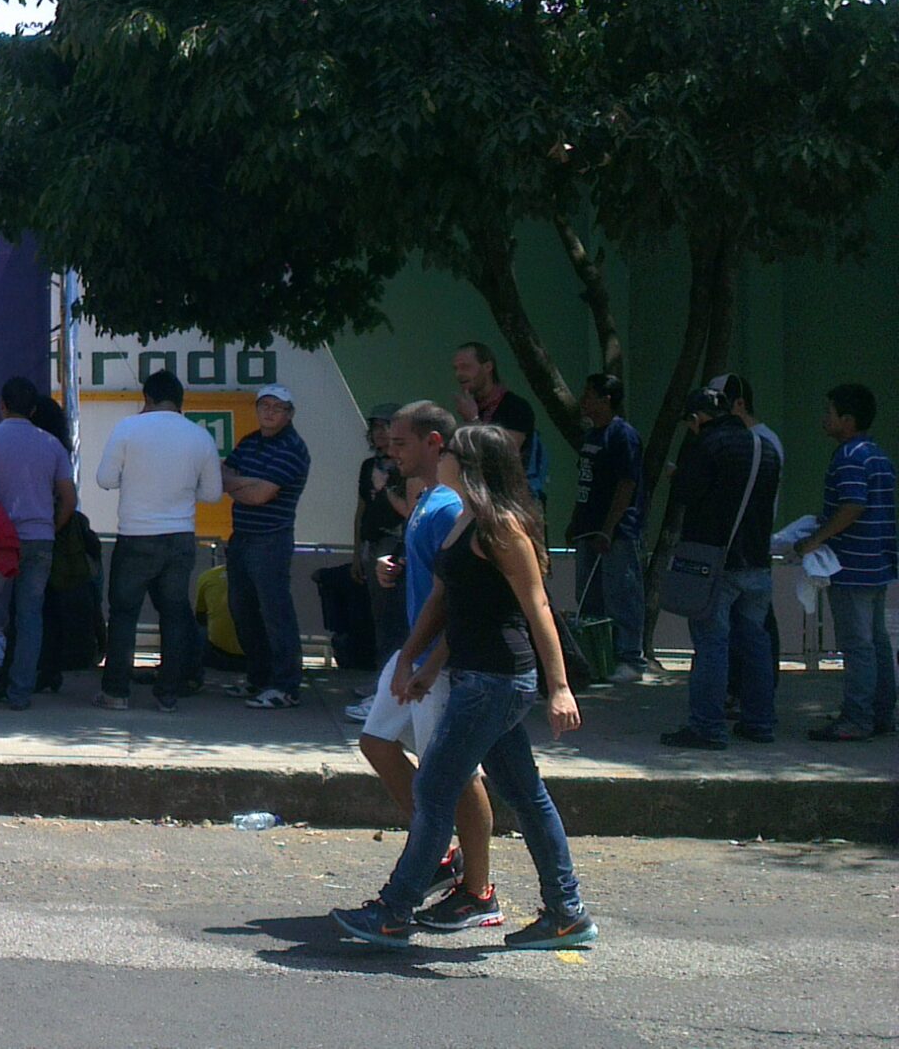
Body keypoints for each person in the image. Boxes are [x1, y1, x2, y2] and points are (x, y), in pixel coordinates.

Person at [332, 422, 596, 951]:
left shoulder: (502, 528)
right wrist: (420, 662)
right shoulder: (463, 518)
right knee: (524, 793)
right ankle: (566, 913)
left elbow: (538, 607)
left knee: (435, 788)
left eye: (451, 451)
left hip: (498, 679)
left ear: (470, 463)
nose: (443, 456)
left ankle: (394, 910)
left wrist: (560, 688)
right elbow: (445, 601)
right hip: (473, 674)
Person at [354, 401, 498, 930]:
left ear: (434, 443)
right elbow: (434, 572)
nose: (391, 452)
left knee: (459, 775)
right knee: (376, 742)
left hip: (439, 656)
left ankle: (479, 890)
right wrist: (396, 566)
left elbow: (457, 592)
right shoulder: (427, 500)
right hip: (414, 649)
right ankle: (437, 852)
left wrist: (431, 661)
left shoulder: (449, 506)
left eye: (401, 443)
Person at [659, 389, 784, 749]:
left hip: (715, 561)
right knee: (756, 643)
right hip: (757, 561)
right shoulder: (766, 448)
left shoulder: (708, 445)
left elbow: (685, 494)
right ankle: (760, 722)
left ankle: (707, 727)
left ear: (697, 419)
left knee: (712, 644)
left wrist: (679, 473)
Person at [93, 370, 222, 711]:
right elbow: (212, 493)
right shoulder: (200, 436)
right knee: (174, 614)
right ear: (180, 401)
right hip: (180, 536)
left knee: (124, 614)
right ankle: (168, 694)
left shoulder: (127, 428)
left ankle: (116, 692)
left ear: (147, 398)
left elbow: (105, 478)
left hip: (135, 535)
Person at [0, 377, 78, 711]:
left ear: (2, 405)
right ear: (33, 409)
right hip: (40, 538)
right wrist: (50, 526)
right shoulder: (52, 445)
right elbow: (69, 499)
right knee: (30, 615)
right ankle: (20, 693)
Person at [792, 383, 896, 741]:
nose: (825, 418)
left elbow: (852, 506)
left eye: (830, 412)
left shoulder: (849, 457)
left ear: (847, 420)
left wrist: (814, 540)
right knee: (876, 643)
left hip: (852, 566)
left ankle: (857, 718)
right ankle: (881, 713)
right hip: (877, 564)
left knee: (858, 646)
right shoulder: (877, 455)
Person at [221, 383, 311, 708]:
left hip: (271, 539)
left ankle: (286, 686)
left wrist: (238, 485)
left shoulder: (292, 448)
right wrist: (246, 483)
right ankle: (258, 678)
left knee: (276, 613)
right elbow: (222, 475)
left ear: (289, 413)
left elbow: (260, 495)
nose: (269, 412)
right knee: (242, 610)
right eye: (264, 406)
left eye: (277, 408)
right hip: (241, 537)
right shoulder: (249, 441)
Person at [569, 373, 648, 683]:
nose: (583, 400)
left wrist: (609, 528)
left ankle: (630, 658)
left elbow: (626, 483)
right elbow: (586, 483)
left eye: (590, 394)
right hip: (587, 527)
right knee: (588, 596)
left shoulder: (622, 435)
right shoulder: (592, 435)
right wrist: (576, 521)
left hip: (616, 531)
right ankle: (598, 657)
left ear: (607, 399)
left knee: (622, 593)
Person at [350, 404, 411, 701]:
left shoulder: (405, 467)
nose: (380, 434)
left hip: (394, 543)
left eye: (387, 427)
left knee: (394, 617)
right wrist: (356, 553)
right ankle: (381, 677)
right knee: (379, 617)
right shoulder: (367, 466)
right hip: (371, 543)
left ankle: (391, 683)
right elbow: (361, 509)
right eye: (375, 428)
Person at [453, 341, 546, 506]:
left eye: (466, 367)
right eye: (456, 368)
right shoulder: (473, 406)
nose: (459, 374)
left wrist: (473, 420)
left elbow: (503, 454)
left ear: (488, 367)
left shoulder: (514, 406)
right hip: (480, 500)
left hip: (511, 502)